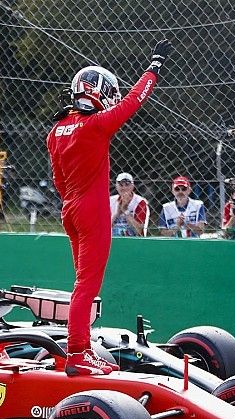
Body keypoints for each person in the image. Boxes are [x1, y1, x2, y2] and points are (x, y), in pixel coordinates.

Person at [46, 39, 173, 376]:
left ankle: (80, 346)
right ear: (96, 91)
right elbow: (134, 101)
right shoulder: (97, 125)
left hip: (69, 208)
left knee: (80, 284)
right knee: (87, 285)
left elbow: (58, 181)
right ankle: (78, 352)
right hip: (91, 210)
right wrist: (153, 67)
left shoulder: (56, 130)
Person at [110, 172, 149, 237]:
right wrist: (117, 213)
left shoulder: (140, 202)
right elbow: (104, 228)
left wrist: (125, 211)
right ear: (116, 186)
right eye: (121, 185)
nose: (124, 188)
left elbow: (139, 231)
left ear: (132, 186)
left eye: (127, 184)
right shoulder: (110, 200)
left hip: (133, 240)